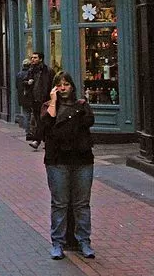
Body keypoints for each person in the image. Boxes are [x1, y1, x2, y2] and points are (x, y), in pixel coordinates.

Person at [41, 71, 96, 261]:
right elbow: (44, 127)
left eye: (66, 84)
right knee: (60, 203)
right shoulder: (48, 107)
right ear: (54, 88)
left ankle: (84, 241)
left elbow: (88, 121)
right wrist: (53, 102)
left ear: (72, 86)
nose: (63, 88)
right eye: (59, 85)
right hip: (57, 161)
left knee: (82, 204)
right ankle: (57, 243)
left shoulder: (82, 105)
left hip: (82, 160)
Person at [27, 52, 54, 151]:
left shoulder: (49, 71)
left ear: (41, 59)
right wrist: (28, 82)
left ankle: (37, 141)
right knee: (40, 122)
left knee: (44, 121)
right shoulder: (31, 71)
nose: (33, 59)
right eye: (32, 58)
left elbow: (52, 85)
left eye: (35, 57)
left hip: (45, 101)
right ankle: (47, 142)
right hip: (35, 100)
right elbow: (25, 82)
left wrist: (51, 99)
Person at [16, 58, 33, 137]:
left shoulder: (19, 74)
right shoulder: (30, 74)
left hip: (22, 97)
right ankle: (30, 131)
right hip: (30, 97)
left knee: (26, 114)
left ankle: (27, 131)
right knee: (31, 114)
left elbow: (17, 86)